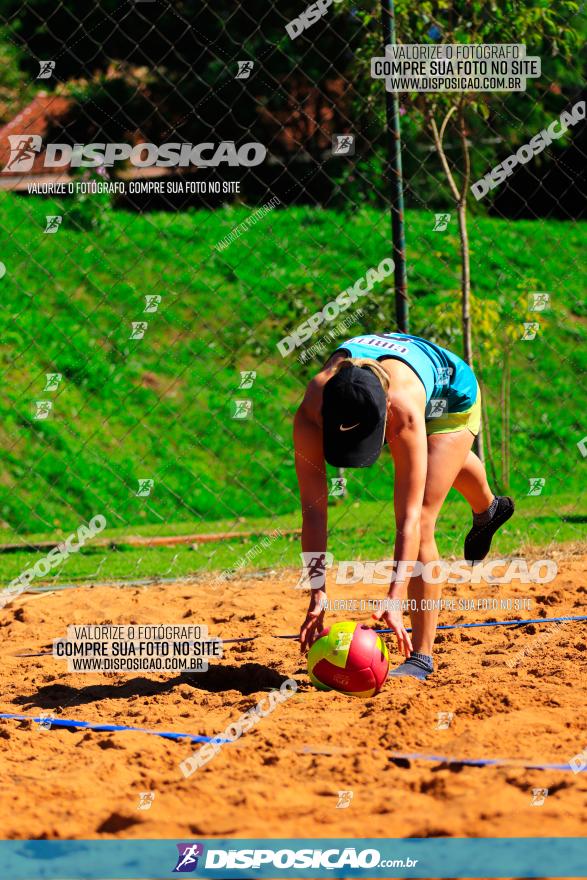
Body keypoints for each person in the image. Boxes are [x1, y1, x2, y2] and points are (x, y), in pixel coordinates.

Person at [294, 331, 514, 680]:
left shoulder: (404, 411)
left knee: (425, 514)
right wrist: (317, 591)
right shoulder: (312, 408)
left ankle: (421, 657)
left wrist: (395, 597)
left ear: (385, 416)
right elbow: (314, 510)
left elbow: (409, 520)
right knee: (441, 466)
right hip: (407, 373)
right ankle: (489, 509)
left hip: (452, 393)